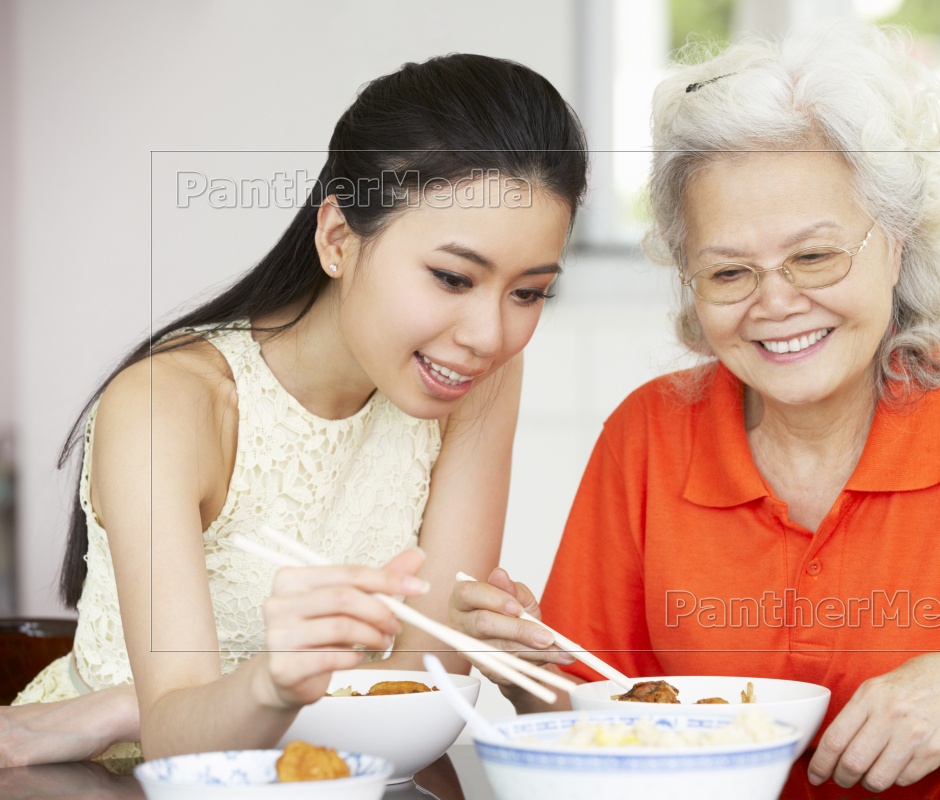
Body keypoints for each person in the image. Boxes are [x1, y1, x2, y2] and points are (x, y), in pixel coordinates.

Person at [449, 23, 940, 792]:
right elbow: (586, 717)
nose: (776, 303)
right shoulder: (648, 434)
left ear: (896, 244)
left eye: (814, 256)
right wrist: (521, 667)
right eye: (730, 272)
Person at [0, 53, 587, 766]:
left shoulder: (477, 377)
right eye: (452, 277)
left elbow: (420, 696)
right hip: (96, 779)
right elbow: (181, 748)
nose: (490, 335)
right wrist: (229, 696)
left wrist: (131, 708)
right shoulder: (170, 406)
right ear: (339, 238)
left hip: (330, 778)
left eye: (529, 292)